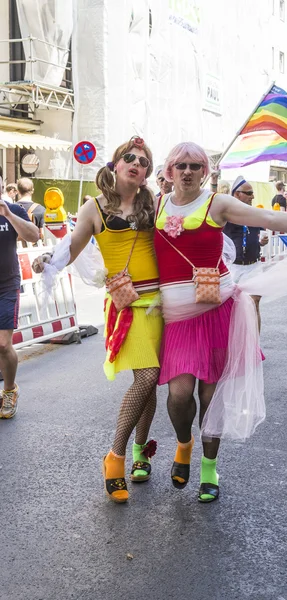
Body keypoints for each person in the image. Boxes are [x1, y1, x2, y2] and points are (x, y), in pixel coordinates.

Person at [154, 142, 287, 503]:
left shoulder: (218, 204)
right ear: (169, 170)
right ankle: (184, 445)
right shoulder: (157, 205)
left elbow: (270, 219)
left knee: (211, 396)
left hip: (215, 312)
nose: (187, 171)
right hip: (177, 320)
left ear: (205, 172)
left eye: (195, 165)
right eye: (180, 165)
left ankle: (209, 469)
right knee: (179, 395)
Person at [33, 137, 163, 503]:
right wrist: (50, 259)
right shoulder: (94, 207)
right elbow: (72, 247)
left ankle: (141, 453)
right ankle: (116, 457)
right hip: (128, 306)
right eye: (130, 157)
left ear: (147, 173)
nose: (136, 163)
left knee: (150, 382)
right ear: (116, 163)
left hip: (161, 304)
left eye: (144, 161)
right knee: (148, 375)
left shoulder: (153, 203)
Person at [0, 196, 39, 418]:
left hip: (6, 285)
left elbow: (33, 236)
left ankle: (9, 390)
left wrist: (8, 214)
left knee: (3, 344)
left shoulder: (13, 209)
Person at [223, 176, 269, 331]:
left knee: (254, 302)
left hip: (253, 265)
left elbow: (261, 234)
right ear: (237, 194)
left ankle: (255, 345)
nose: (252, 196)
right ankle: (233, 343)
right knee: (230, 307)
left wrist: (262, 241)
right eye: (248, 193)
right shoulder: (226, 214)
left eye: (252, 193)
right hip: (232, 268)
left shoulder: (256, 213)